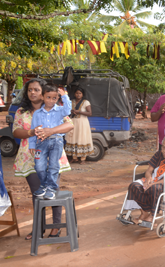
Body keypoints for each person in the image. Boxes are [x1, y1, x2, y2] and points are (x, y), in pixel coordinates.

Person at [13, 78, 73, 240]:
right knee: (37, 194)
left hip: (53, 153)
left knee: (53, 191)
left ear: (44, 93)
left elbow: (69, 125)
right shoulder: (21, 112)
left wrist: (50, 131)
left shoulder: (56, 109)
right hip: (29, 156)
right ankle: (38, 228)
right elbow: (16, 132)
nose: (32, 92)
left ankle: (55, 227)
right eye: (30, 90)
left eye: (36, 90)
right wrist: (31, 133)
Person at [125, 134, 165, 224]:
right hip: (153, 180)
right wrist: (149, 179)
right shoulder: (159, 154)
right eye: (163, 147)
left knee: (154, 188)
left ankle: (152, 215)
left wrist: (152, 184)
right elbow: (149, 171)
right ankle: (144, 212)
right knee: (133, 186)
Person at [28, 84, 72, 200]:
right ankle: (43, 185)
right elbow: (34, 129)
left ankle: (51, 188)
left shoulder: (60, 110)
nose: (51, 100)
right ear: (42, 97)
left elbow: (68, 110)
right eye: (48, 97)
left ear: (57, 99)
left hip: (56, 141)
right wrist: (32, 144)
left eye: (54, 98)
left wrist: (64, 96)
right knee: (39, 166)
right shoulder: (37, 113)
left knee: (53, 165)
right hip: (41, 142)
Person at [65, 88, 93, 164]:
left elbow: (89, 113)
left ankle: (83, 159)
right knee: (73, 138)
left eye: (80, 93)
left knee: (82, 138)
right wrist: (72, 111)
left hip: (82, 123)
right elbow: (67, 111)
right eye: (77, 93)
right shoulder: (71, 102)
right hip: (73, 122)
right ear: (74, 94)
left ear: (82, 94)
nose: (78, 95)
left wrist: (79, 112)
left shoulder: (86, 102)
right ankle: (74, 158)